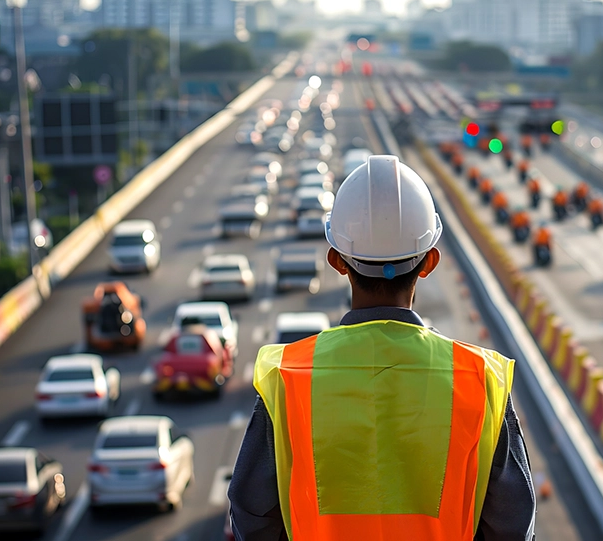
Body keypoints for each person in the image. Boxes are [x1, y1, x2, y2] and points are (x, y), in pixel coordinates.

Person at [229, 155, 536, 541]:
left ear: (337, 261)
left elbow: (251, 515)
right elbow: (513, 525)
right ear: (429, 262)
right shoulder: (480, 381)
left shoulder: (288, 379)